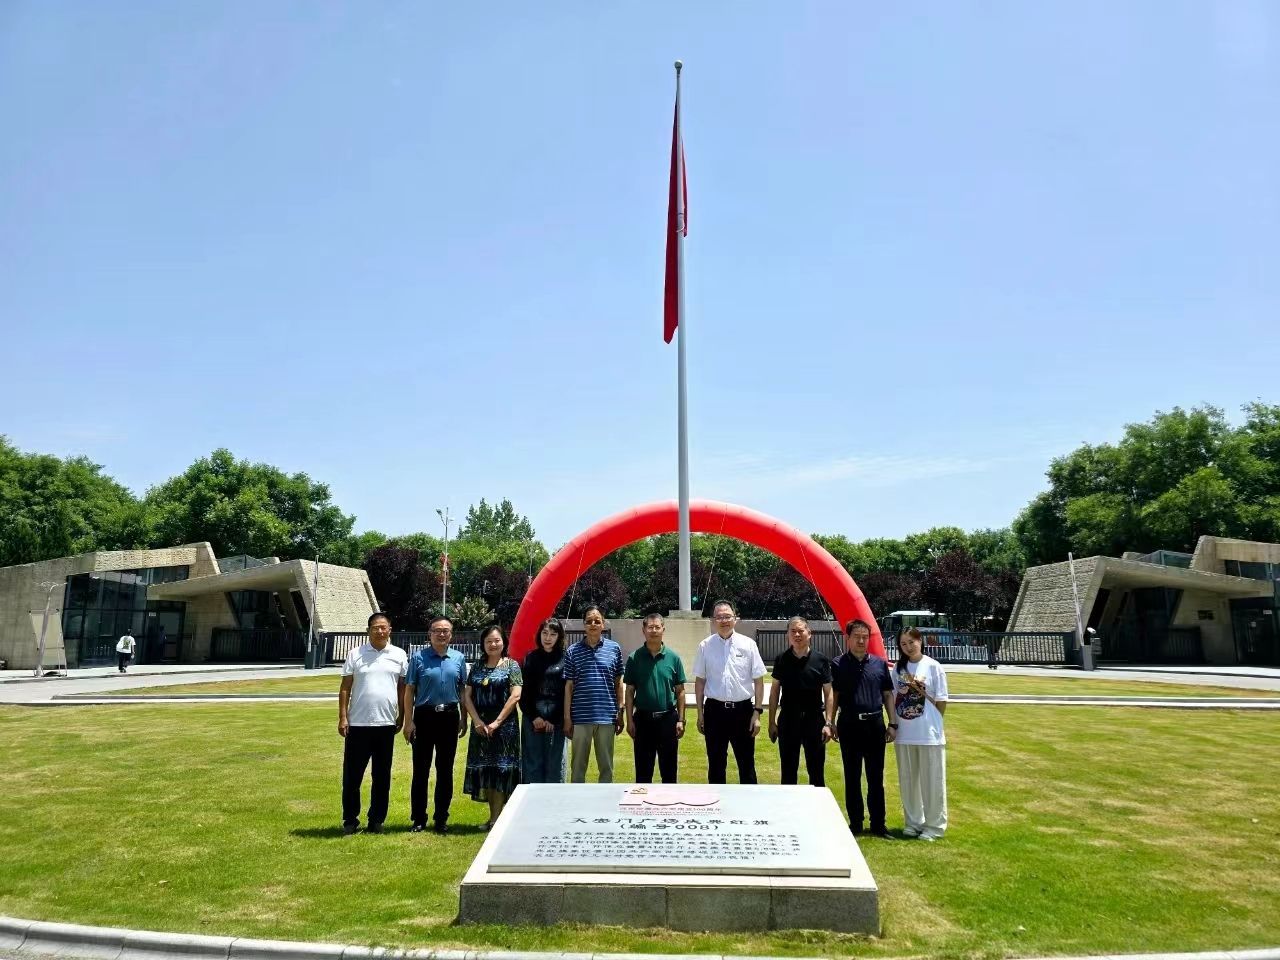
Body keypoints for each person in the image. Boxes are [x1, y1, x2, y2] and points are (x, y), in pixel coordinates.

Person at [338, 611, 407, 834]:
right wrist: (343, 717)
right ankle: (350, 820)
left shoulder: (399, 655)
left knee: (382, 776)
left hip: (386, 724)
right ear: (368, 630)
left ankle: (376, 820)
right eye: (375, 627)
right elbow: (345, 688)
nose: (379, 631)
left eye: (383, 627)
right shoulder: (355, 654)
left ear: (390, 630)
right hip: (358, 724)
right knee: (352, 776)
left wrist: (403, 715)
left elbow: (403, 689)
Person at [402, 615, 468, 834]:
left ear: (451, 634)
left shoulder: (458, 658)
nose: (441, 634)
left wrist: (464, 718)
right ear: (429, 634)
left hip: (449, 717)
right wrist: (408, 721)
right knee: (421, 770)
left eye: (445, 631)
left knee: (445, 770)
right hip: (424, 717)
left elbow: (463, 690)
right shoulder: (418, 658)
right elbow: (410, 690)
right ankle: (418, 818)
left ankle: (441, 818)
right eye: (437, 630)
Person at [830, 618, 896, 837]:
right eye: (857, 637)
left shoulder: (879, 664)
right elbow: (835, 696)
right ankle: (856, 823)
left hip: (875, 725)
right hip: (849, 725)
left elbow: (887, 695)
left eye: (865, 637)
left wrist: (892, 723)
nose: (861, 641)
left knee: (876, 777)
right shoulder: (838, 664)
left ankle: (878, 824)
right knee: (852, 776)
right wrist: (830, 722)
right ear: (847, 638)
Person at [694, 599, 766, 784]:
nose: (723, 620)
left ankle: (749, 801)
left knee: (746, 764)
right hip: (714, 712)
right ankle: (717, 802)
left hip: (743, 712)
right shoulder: (705, 646)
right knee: (716, 765)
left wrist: (757, 713)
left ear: (735, 618)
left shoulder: (748, 644)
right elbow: (700, 681)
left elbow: (758, 681)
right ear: (713, 620)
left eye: (727, 616)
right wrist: (700, 713)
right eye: (719, 617)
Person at [462, 625, 522, 830]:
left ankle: (497, 819)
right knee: (485, 770)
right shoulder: (477, 666)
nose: (493, 644)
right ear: (483, 644)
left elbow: (515, 695)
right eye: (488, 641)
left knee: (501, 771)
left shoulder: (512, 665)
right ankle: (493, 816)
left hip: (505, 728)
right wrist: (476, 721)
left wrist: (497, 722)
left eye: (497, 640)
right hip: (481, 727)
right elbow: (467, 696)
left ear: (503, 642)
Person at [892, 626, 949, 841]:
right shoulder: (898, 669)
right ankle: (913, 822)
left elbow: (941, 701)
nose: (908, 647)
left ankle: (934, 826)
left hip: (928, 734)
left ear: (920, 641)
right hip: (904, 733)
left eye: (911, 642)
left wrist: (933, 722)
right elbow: (893, 697)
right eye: (903, 644)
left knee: (932, 781)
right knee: (908, 781)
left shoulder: (933, 666)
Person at [767, 616, 833, 787]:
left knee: (816, 773)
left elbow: (828, 693)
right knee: (788, 773)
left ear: (809, 633)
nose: (797, 635)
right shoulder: (781, 659)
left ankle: (817, 805)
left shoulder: (821, 660)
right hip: (788, 721)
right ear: (787, 635)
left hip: (814, 721)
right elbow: (774, 692)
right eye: (793, 631)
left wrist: (828, 723)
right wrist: (771, 722)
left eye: (801, 631)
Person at [562, 606, 624, 783]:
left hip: (607, 717)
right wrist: (567, 718)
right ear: (584, 624)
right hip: (580, 717)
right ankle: (577, 800)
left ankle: (605, 800)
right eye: (589, 621)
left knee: (606, 767)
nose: (593, 624)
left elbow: (619, 683)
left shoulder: (614, 649)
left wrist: (620, 712)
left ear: (603, 624)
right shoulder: (572, 651)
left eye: (597, 621)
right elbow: (569, 687)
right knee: (577, 768)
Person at [624, 613, 688, 783]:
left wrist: (681, 720)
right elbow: (629, 691)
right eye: (650, 627)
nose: (653, 631)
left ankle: (669, 800)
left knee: (669, 772)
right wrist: (629, 720)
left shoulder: (673, 658)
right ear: (643, 630)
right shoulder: (634, 658)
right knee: (643, 773)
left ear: (663, 630)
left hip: (668, 719)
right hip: (643, 720)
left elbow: (680, 691)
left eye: (657, 627)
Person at [520, 617, 568, 783]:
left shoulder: (565, 658)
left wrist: (553, 720)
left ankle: (554, 799)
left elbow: (566, 692)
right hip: (532, 720)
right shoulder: (530, 658)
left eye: (553, 634)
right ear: (539, 634)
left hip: (557, 722)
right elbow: (524, 692)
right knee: (532, 764)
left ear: (559, 637)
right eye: (545, 633)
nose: (548, 638)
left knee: (555, 766)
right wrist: (535, 717)